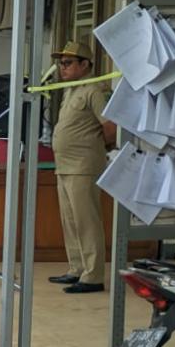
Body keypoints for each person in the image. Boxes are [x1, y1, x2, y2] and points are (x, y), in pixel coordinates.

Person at [49, 38, 115, 294]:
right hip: (64, 165)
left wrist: (99, 149)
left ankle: (93, 276)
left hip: (83, 165)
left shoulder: (94, 90)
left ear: (85, 64)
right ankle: (76, 268)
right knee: (71, 221)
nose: (62, 67)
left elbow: (110, 126)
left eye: (68, 63)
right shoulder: (71, 89)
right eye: (61, 63)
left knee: (87, 221)